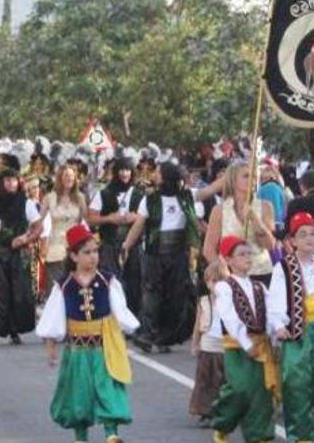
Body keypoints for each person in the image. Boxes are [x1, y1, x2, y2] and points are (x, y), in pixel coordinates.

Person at [36, 224, 140, 443]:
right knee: (79, 394)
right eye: (87, 252)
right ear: (73, 256)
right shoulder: (63, 286)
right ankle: (80, 436)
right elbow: (53, 318)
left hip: (104, 348)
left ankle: (111, 433)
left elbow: (119, 310)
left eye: (95, 251)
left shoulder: (107, 281)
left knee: (108, 389)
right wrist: (51, 346)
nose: (93, 257)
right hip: (77, 350)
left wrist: (124, 330)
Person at [267, 212, 314, 442]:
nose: (309, 239)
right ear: (292, 241)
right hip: (297, 334)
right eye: (303, 235)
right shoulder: (284, 267)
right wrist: (279, 325)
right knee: (295, 384)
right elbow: (276, 299)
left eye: (313, 234)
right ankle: (300, 437)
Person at [122, 162, 200, 353]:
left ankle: (165, 337)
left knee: (174, 296)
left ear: (166, 176)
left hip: (178, 254)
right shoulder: (150, 199)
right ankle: (147, 334)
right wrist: (126, 245)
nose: (154, 174)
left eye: (158, 171)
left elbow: (212, 189)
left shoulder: (187, 196)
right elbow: (139, 225)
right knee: (151, 293)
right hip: (154, 253)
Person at [211, 236, 278, 443]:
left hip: (261, 345)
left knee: (261, 392)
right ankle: (223, 423)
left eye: (249, 253)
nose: (247, 257)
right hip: (237, 346)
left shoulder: (259, 287)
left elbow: (271, 314)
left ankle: (260, 436)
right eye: (241, 254)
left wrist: (275, 338)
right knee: (239, 389)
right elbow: (230, 318)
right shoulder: (224, 287)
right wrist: (246, 343)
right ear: (228, 260)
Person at [0, 168, 39, 345]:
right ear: (1, 182)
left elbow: (38, 227)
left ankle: (14, 330)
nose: (10, 184)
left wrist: (24, 238)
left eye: (13, 180)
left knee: (18, 294)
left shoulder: (26, 203)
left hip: (18, 255)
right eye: (7, 180)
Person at [203, 162, 276, 287]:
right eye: (246, 176)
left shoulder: (265, 206)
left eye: (254, 176)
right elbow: (209, 249)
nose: (252, 180)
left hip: (260, 272)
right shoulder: (219, 210)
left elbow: (270, 245)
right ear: (233, 180)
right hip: (231, 275)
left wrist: (255, 219)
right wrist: (223, 271)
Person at [87, 158, 145, 315]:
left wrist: (136, 218)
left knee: (134, 282)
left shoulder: (139, 194)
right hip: (110, 245)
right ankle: (113, 318)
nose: (125, 174)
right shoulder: (104, 193)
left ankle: (133, 319)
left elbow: (148, 218)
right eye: (122, 170)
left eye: (128, 170)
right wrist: (109, 218)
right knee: (112, 282)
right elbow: (91, 218)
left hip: (133, 246)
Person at [189, 261, 226, 428]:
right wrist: (195, 343)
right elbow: (198, 324)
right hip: (208, 345)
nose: (215, 284)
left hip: (225, 346)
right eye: (212, 281)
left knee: (223, 381)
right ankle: (205, 411)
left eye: (220, 281)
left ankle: (223, 411)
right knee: (205, 380)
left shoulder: (231, 300)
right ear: (207, 283)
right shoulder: (203, 301)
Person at [40, 164, 88, 286]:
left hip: (75, 246)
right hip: (55, 246)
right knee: (57, 287)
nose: (69, 178)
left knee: (75, 286)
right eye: (66, 175)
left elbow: (87, 222)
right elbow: (39, 222)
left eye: (72, 176)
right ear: (60, 178)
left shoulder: (80, 198)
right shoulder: (49, 198)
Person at [256, 163, 287, 239]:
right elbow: (284, 206)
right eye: (265, 178)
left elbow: (258, 204)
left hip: (266, 222)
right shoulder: (280, 189)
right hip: (279, 222)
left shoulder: (261, 189)